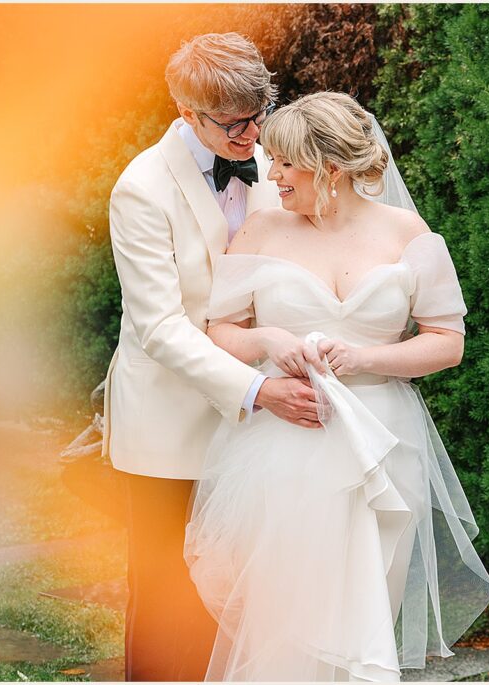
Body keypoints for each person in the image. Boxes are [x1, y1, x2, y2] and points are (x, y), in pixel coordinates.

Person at [184, 92, 489, 681]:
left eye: (284, 163)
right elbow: (220, 331)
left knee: (367, 611)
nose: (270, 174)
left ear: (329, 166)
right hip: (287, 443)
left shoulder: (407, 232)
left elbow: (447, 342)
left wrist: (362, 356)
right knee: (286, 618)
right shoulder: (261, 228)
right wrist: (270, 342)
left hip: (385, 445)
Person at [105, 34, 321, 681]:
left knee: (240, 596)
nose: (251, 134)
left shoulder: (265, 169)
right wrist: (257, 390)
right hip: (166, 429)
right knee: (167, 599)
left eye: (258, 115)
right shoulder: (140, 189)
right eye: (233, 122)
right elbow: (161, 328)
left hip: (251, 435)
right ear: (186, 112)